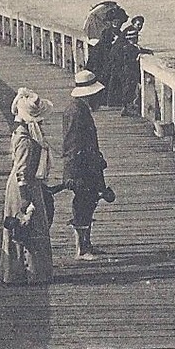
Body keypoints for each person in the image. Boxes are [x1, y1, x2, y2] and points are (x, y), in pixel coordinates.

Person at [0, 88, 55, 285]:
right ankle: (28, 273)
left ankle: (24, 272)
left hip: (28, 183)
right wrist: (25, 199)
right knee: (27, 225)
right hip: (24, 186)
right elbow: (22, 170)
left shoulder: (22, 133)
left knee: (28, 227)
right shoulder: (25, 139)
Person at [62, 68, 114, 260]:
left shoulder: (79, 109)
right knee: (83, 204)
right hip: (81, 167)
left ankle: (86, 244)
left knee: (89, 202)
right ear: (90, 94)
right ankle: (81, 249)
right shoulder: (77, 113)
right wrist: (72, 174)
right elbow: (73, 144)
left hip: (89, 165)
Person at [106, 16, 144, 114]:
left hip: (116, 57)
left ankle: (115, 103)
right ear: (134, 23)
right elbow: (131, 46)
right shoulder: (132, 31)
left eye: (141, 25)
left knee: (119, 80)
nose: (140, 27)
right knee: (128, 81)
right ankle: (126, 107)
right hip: (121, 59)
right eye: (138, 24)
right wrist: (143, 51)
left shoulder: (128, 29)